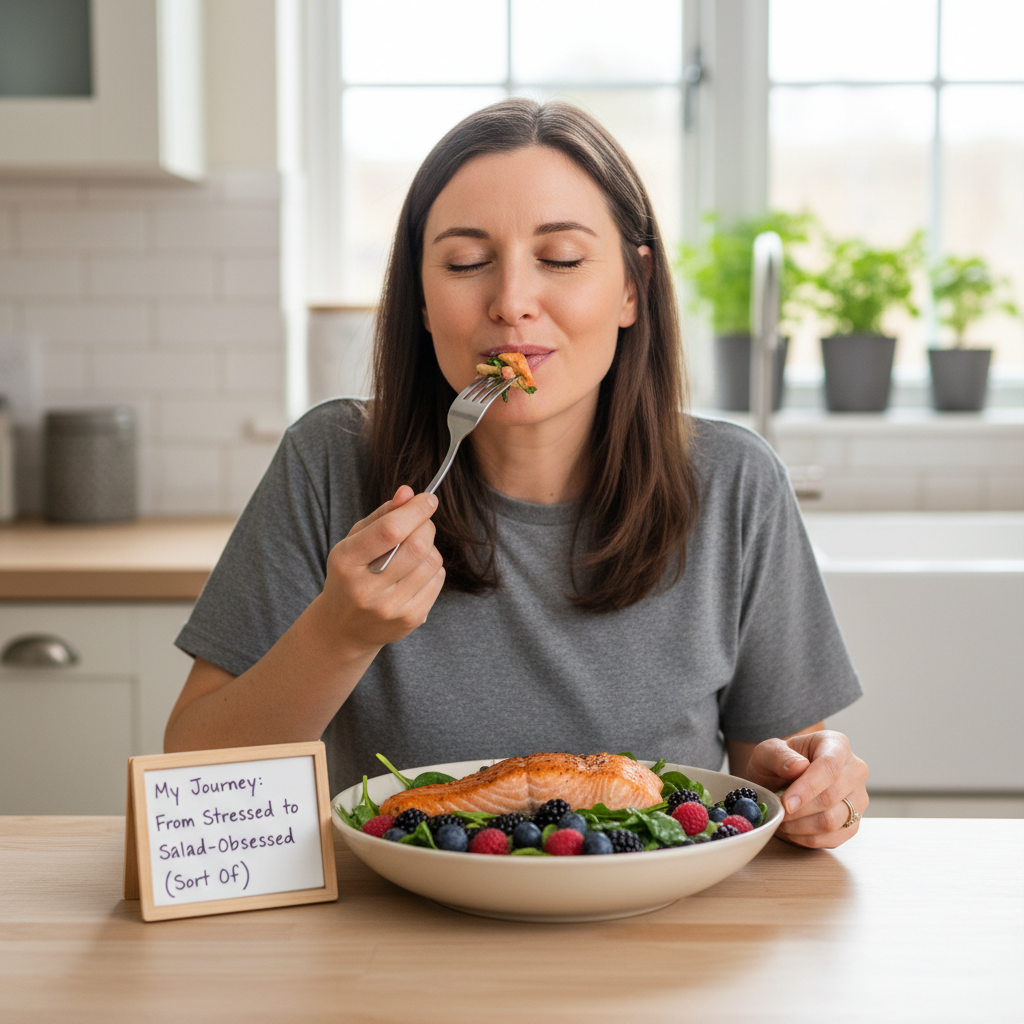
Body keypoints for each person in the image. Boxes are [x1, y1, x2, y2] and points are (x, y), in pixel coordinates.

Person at [165, 98, 868, 849]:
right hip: (389, 939)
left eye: (561, 259)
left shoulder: (734, 483)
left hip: (662, 943)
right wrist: (339, 633)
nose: (510, 304)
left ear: (632, 288)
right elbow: (193, 784)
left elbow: (772, 771)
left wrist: (808, 788)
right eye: (466, 263)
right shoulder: (330, 460)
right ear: (424, 300)